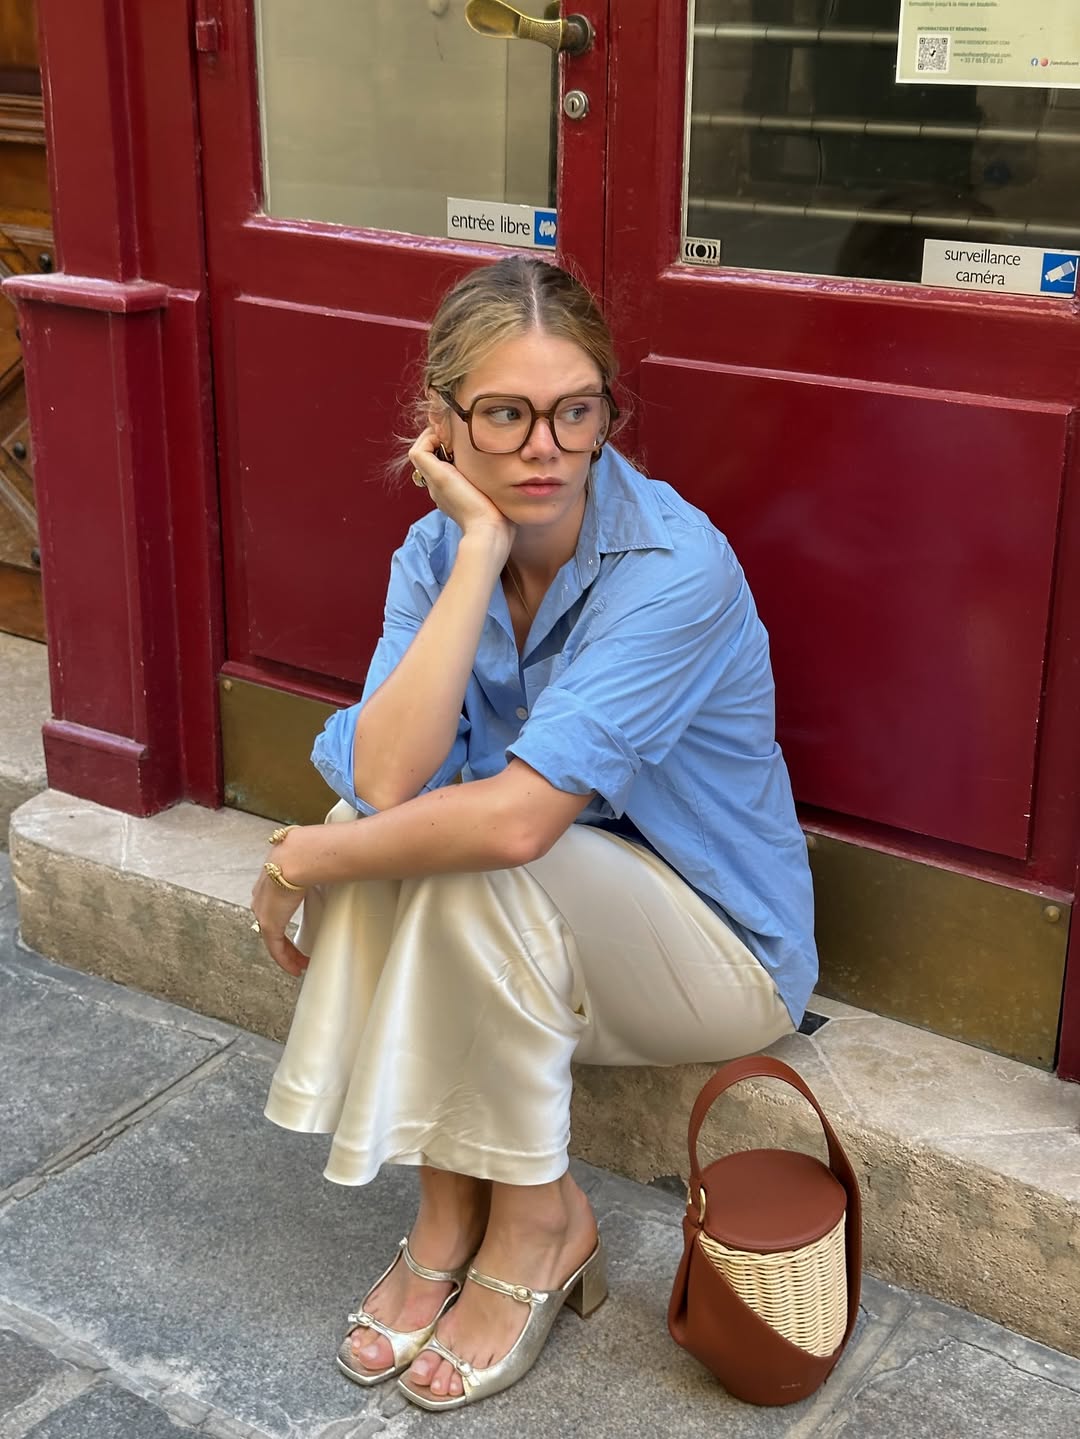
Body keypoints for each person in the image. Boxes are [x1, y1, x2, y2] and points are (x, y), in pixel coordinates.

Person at [250, 255, 817, 1413]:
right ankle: (449, 1209)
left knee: (447, 852)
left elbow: (514, 822)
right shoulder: (435, 552)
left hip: (709, 948)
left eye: (577, 409)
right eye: (505, 413)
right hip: (538, 922)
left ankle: (537, 1223)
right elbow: (389, 773)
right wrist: (474, 555)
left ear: (610, 410)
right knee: (390, 821)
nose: (546, 445)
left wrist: (303, 857)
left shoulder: (673, 568)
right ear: (443, 425)